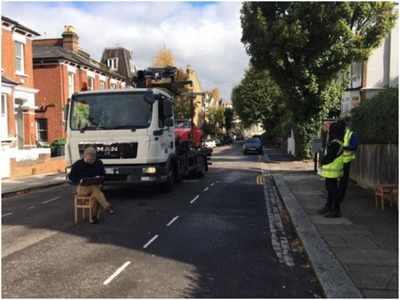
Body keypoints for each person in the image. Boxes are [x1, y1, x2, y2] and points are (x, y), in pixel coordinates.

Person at [68, 147, 114, 224]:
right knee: (95, 189)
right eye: (89, 160)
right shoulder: (78, 164)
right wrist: (79, 181)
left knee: (95, 195)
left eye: (93, 160)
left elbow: (103, 175)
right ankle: (106, 206)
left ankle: (93, 217)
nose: (91, 161)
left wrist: (99, 178)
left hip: (96, 187)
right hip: (82, 188)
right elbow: (71, 176)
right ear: (84, 156)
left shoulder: (99, 163)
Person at [318, 122, 344, 218]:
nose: (329, 131)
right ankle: (328, 206)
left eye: (331, 129)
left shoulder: (335, 143)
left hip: (332, 170)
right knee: (330, 190)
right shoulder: (337, 142)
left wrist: (322, 161)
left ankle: (336, 210)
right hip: (332, 170)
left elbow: (329, 157)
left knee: (333, 190)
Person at [337, 118, 358, 206]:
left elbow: (354, 147)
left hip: (346, 160)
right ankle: (337, 196)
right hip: (338, 161)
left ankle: (341, 197)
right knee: (337, 179)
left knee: (343, 180)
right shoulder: (340, 133)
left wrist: (344, 148)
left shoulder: (351, 134)